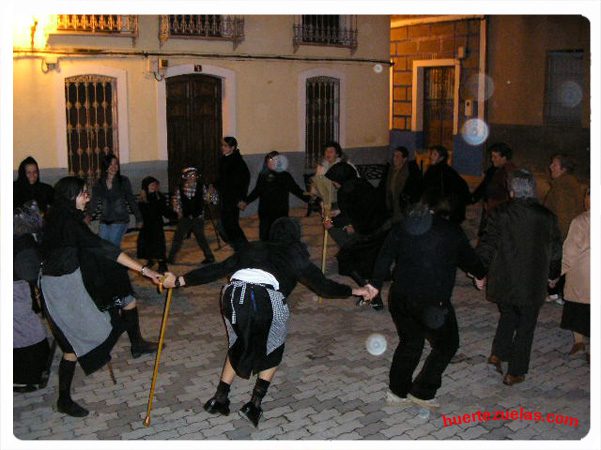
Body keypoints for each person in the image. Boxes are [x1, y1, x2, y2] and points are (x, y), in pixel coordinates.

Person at [161, 217, 366, 427]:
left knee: (238, 343)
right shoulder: (295, 254)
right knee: (273, 348)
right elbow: (324, 287)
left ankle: (219, 399)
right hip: (266, 299)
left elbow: (216, 269)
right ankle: (254, 405)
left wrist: (178, 281)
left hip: (233, 296)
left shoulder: (253, 247)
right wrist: (354, 290)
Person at [40, 177, 161, 417]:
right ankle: (64, 399)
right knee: (80, 343)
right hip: (61, 292)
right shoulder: (68, 222)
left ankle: (65, 398)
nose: (87, 197)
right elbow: (104, 248)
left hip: (64, 284)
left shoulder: (59, 215)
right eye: (83, 193)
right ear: (70, 196)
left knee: (78, 343)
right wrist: (145, 270)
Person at [364, 200, 485, 409]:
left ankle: (397, 392)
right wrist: (480, 274)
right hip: (432, 303)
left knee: (410, 343)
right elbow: (469, 258)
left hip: (400, 298)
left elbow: (384, 256)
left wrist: (374, 285)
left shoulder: (401, 228)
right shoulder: (450, 231)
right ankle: (423, 391)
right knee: (447, 344)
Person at [476, 169, 562, 386]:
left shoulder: (498, 213)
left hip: (504, 279)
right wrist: (553, 277)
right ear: (533, 190)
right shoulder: (547, 217)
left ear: (512, 191)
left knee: (507, 316)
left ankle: (498, 354)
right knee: (526, 325)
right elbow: (555, 251)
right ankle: (515, 371)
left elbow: (487, 244)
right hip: (531, 282)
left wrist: (479, 271)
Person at [324, 161, 390, 311]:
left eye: (334, 180)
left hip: (367, 232)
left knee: (347, 260)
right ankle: (374, 296)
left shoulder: (344, 191)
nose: (334, 184)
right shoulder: (361, 182)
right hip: (381, 227)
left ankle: (371, 294)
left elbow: (348, 215)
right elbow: (359, 206)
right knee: (369, 263)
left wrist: (330, 221)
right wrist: (341, 214)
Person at [13, 201, 54, 392]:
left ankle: (28, 376)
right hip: (17, 288)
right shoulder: (24, 239)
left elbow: (28, 271)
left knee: (22, 330)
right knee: (24, 328)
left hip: (16, 289)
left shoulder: (22, 240)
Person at [239, 151, 309, 241]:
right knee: (264, 236)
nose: (271, 163)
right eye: (269, 161)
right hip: (265, 211)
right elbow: (257, 191)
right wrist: (246, 201)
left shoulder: (285, 176)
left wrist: (309, 198)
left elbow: (296, 190)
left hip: (280, 211)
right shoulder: (263, 175)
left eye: (274, 160)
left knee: (279, 235)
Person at [543, 154, 584, 304]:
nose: (550, 167)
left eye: (554, 165)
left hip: (562, 233)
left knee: (557, 262)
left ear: (564, 169)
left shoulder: (563, 186)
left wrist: (557, 236)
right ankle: (558, 292)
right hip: (567, 233)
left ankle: (557, 292)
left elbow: (563, 214)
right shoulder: (566, 183)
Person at [88, 153, 143, 248]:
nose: (114, 167)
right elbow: (94, 201)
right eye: (111, 164)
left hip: (120, 220)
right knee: (102, 247)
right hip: (105, 220)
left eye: (116, 164)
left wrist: (139, 218)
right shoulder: (99, 183)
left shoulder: (123, 181)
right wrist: (88, 215)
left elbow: (131, 200)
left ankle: (115, 262)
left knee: (112, 247)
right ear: (106, 166)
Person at [560, 188, 590, 361]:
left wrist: (559, 271)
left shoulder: (581, 221)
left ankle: (579, 342)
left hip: (582, 275)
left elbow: (570, 250)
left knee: (579, 309)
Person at [209, 137, 250, 251]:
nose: (223, 148)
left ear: (232, 148)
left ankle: (243, 247)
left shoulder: (238, 162)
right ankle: (237, 245)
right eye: (222, 145)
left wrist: (242, 199)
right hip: (225, 196)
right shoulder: (224, 159)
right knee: (226, 223)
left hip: (234, 197)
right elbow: (223, 178)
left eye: (226, 146)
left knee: (231, 223)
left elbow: (244, 181)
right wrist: (214, 185)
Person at [168, 168, 215, 265]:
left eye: (194, 176)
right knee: (178, 237)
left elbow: (209, 200)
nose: (193, 178)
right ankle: (171, 258)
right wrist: (178, 212)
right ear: (185, 177)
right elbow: (176, 201)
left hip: (197, 217)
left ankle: (209, 257)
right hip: (185, 216)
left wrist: (211, 193)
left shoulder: (201, 187)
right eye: (190, 176)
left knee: (201, 237)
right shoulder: (180, 188)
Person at [471, 143, 517, 237]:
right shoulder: (494, 169)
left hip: (499, 213)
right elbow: (485, 185)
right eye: (492, 156)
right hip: (491, 209)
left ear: (504, 158)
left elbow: (512, 195)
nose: (492, 159)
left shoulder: (509, 172)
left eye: (495, 157)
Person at [421, 145, 470, 224]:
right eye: (431, 154)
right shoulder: (431, 170)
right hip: (432, 207)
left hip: (441, 210)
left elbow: (460, 188)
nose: (431, 157)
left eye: (434, 154)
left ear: (441, 158)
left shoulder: (446, 172)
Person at [137, 176, 177, 273]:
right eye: (151, 185)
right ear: (146, 186)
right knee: (147, 244)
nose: (153, 187)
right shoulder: (143, 199)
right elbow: (141, 213)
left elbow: (165, 210)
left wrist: (174, 214)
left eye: (155, 185)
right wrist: (139, 221)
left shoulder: (159, 197)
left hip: (156, 225)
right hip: (146, 226)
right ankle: (151, 259)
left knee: (159, 245)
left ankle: (162, 264)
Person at [380, 146, 423, 223]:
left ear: (404, 159)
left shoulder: (409, 172)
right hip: (391, 205)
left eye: (397, 156)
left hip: (402, 207)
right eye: (394, 156)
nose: (394, 158)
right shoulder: (390, 170)